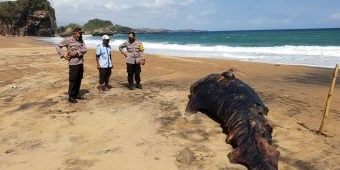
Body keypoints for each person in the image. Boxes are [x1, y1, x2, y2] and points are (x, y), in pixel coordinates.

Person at [55, 27, 87, 103]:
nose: (81, 34)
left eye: (81, 33)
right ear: (75, 33)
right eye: (80, 32)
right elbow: (57, 46)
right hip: (73, 63)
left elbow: (85, 49)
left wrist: (77, 52)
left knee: (79, 78)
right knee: (73, 79)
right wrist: (63, 55)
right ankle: (71, 96)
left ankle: (76, 94)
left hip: (80, 62)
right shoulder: (68, 40)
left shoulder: (81, 40)